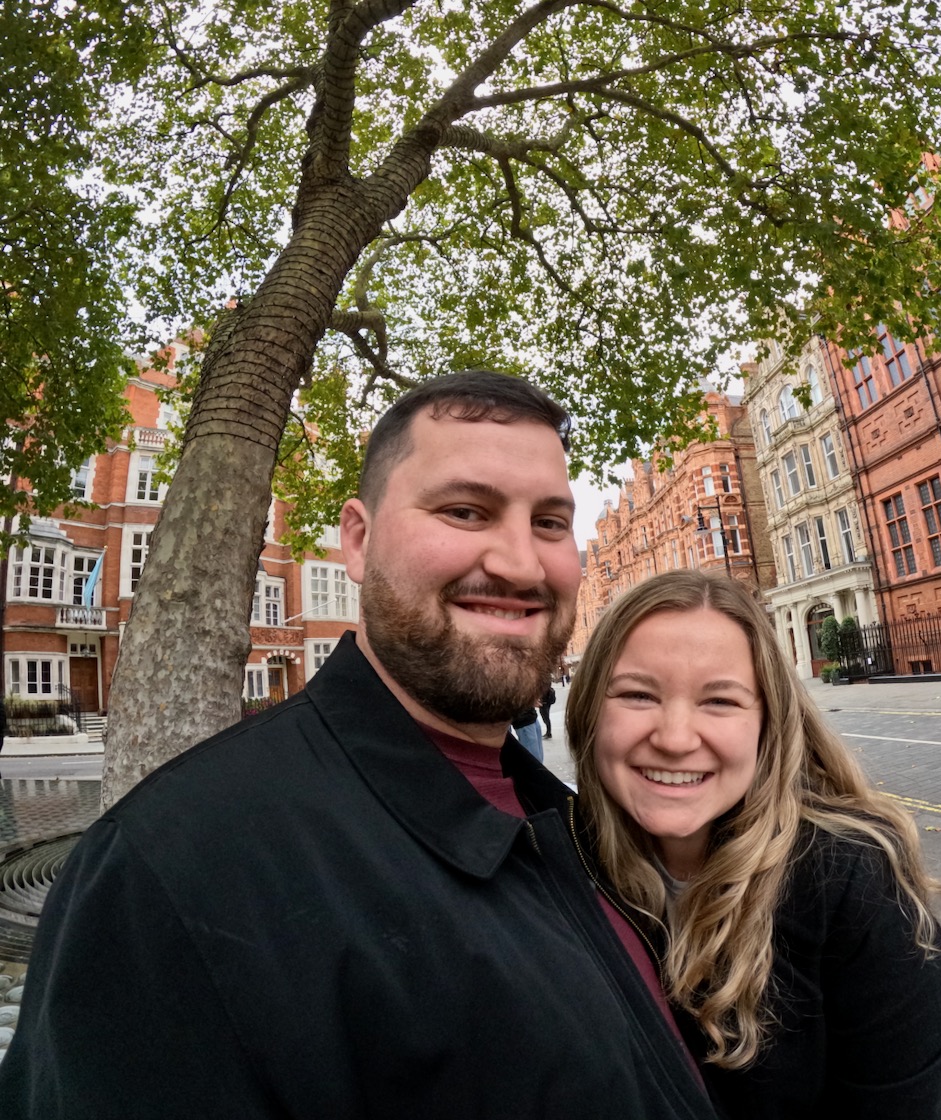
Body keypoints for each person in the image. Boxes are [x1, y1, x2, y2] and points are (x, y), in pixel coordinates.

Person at [0, 371, 714, 1120]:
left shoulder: (578, 823)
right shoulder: (173, 872)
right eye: (466, 510)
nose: (520, 564)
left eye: (548, 523)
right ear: (359, 540)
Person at [566, 571, 941, 1119]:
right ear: (590, 711)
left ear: (768, 723)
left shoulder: (853, 887)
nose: (676, 738)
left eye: (720, 701)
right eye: (638, 694)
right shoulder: (564, 856)